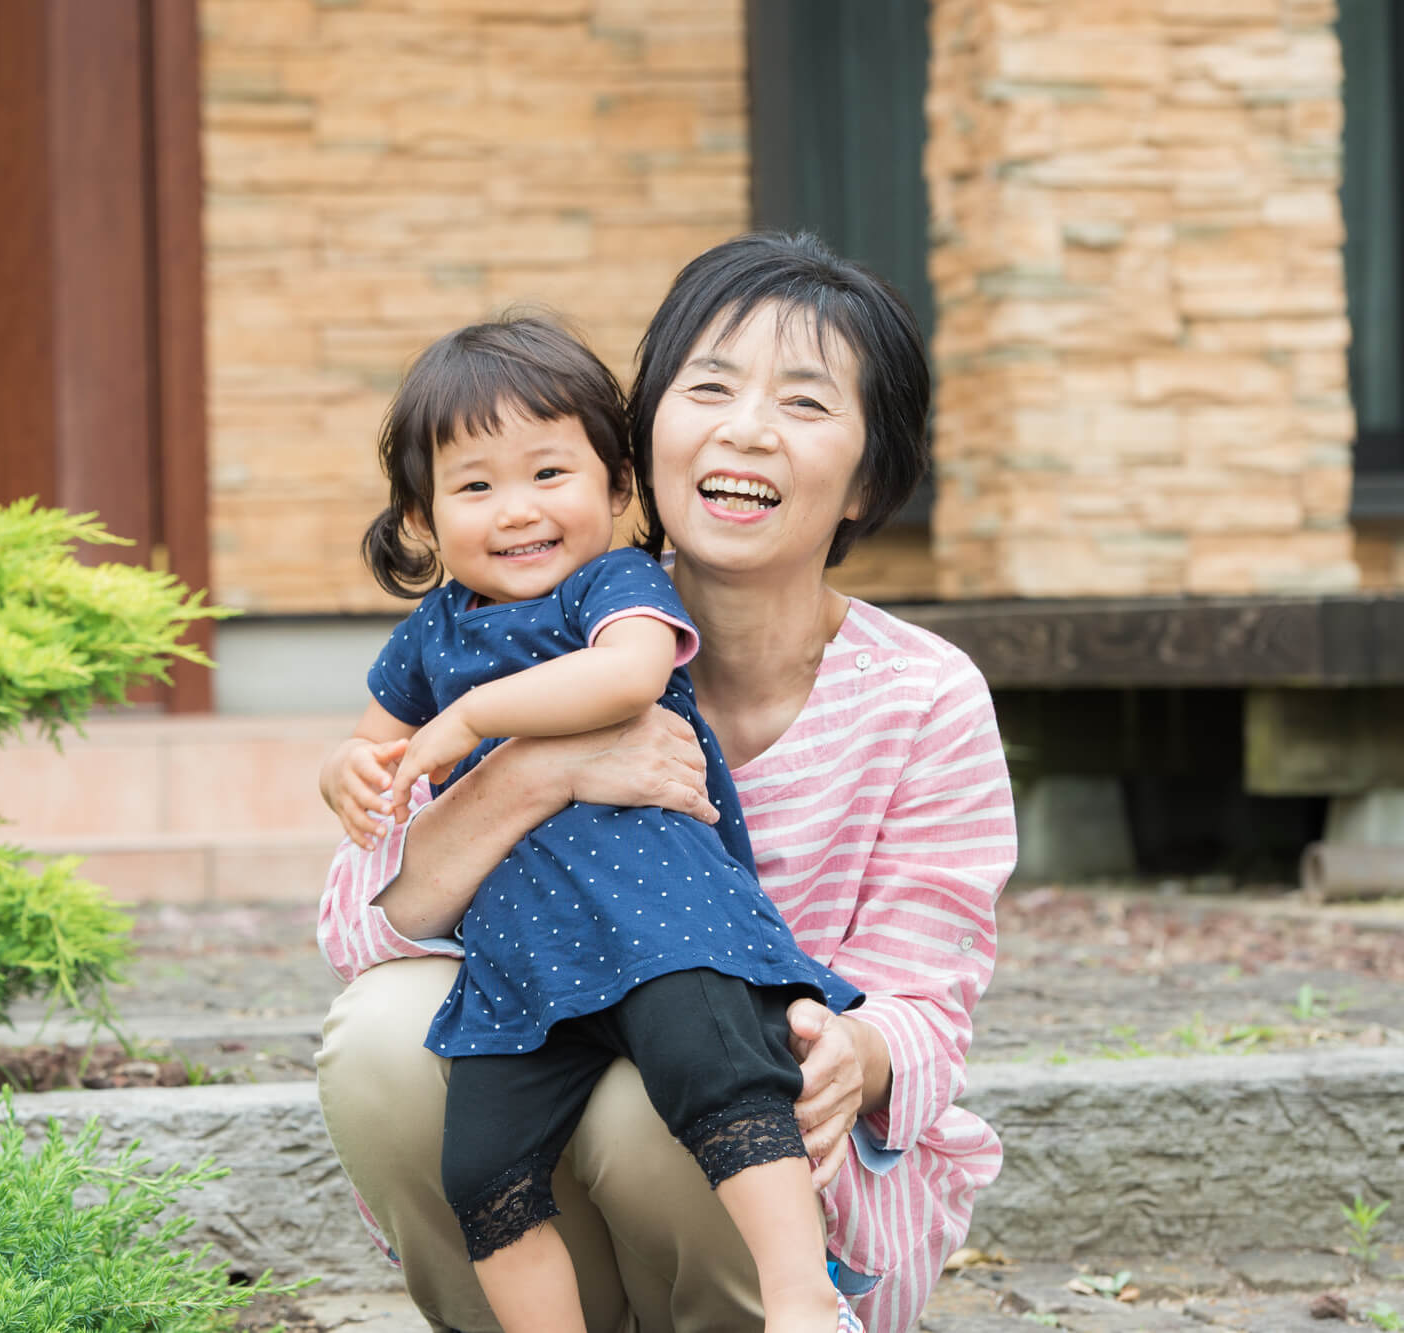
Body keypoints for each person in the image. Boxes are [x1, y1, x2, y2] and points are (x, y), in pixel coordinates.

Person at [315, 233, 1017, 1333]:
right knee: (381, 1037)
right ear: (644, 435)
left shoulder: (922, 697)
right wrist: (542, 768)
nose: (745, 428)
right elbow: (359, 931)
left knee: (678, 1077)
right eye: (709, 385)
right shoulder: (509, 634)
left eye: (803, 401)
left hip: (758, 1145)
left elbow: (928, 998)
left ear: (867, 477)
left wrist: (860, 1051)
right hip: (545, 1070)